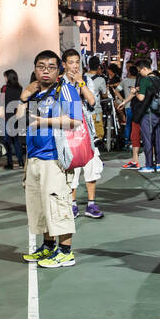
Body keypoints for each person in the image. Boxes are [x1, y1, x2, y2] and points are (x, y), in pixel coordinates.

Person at [19, 50, 86, 269]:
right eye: (41, 66)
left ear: (59, 70)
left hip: (55, 158)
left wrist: (44, 122)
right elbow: (20, 118)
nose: (45, 71)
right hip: (35, 158)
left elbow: (76, 119)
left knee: (58, 204)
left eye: (51, 67)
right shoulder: (36, 93)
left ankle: (66, 252)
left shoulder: (66, 89)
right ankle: (48, 246)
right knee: (40, 205)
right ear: (35, 68)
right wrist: (25, 95)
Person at [62, 49, 105, 218]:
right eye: (71, 62)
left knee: (91, 165)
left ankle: (91, 204)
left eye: (76, 62)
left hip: (87, 130)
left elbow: (92, 100)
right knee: (72, 167)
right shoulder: (60, 82)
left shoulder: (85, 79)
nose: (74, 66)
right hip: (68, 131)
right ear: (64, 64)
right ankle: (72, 204)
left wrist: (80, 82)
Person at [133, 59, 160, 173]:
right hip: (159, 113)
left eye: (139, 70)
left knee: (147, 139)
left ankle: (149, 165)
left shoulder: (145, 80)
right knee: (158, 139)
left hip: (148, 113)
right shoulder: (158, 79)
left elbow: (141, 98)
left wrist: (135, 92)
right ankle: (159, 164)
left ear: (144, 69)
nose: (139, 73)